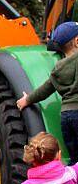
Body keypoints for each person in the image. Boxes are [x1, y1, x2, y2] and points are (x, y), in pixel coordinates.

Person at [17, 21, 78, 164]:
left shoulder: (58, 68)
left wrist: (26, 100)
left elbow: (44, 90)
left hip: (66, 117)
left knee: (75, 159)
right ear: (77, 41)